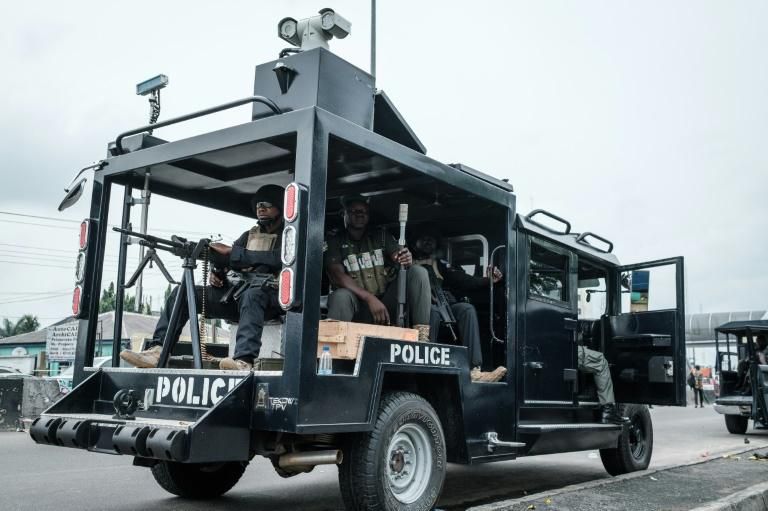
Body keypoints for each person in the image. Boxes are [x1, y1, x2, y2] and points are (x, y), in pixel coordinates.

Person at [120, 184, 286, 371]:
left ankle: (243, 361)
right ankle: (158, 351)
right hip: (239, 297)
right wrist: (218, 273)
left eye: (266, 204)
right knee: (182, 293)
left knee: (254, 295)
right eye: (257, 205)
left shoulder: (289, 234)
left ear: (281, 206)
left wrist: (233, 253)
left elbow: (277, 258)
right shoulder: (248, 236)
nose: (260, 209)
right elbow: (229, 262)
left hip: (274, 300)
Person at [324, 195, 432, 340]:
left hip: (385, 305)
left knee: (418, 272)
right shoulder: (334, 241)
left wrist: (405, 258)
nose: (360, 214)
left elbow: (397, 256)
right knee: (340, 296)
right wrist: (369, 298)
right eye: (354, 211)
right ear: (344, 214)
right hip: (356, 306)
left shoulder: (381, 236)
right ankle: (333, 350)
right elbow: (337, 275)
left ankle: (422, 338)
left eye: (363, 212)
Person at [410, 228, 507, 383]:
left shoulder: (440, 264)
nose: (428, 241)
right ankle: (427, 366)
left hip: (443, 305)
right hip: (417, 310)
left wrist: (488, 280)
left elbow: (463, 279)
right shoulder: (408, 260)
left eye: (431, 239)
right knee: (432, 312)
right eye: (423, 238)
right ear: (415, 243)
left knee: (466, 309)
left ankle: (474, 370)